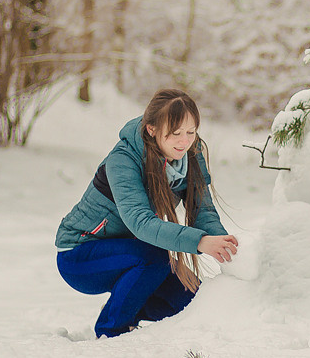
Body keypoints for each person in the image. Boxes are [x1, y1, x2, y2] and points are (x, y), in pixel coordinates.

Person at [55, 88, 239, 338]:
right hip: (80, 254)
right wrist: (200, 242)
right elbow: (140, 223)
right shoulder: (123, 160)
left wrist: (229, 253)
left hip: (133, 252)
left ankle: (123, 307)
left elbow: (202, 210)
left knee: (191, 302)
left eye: (191, 132)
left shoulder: (189, 155)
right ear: (152, 130)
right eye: (175, 133)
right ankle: (111, 330)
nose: (184, 141)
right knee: (155, 256)